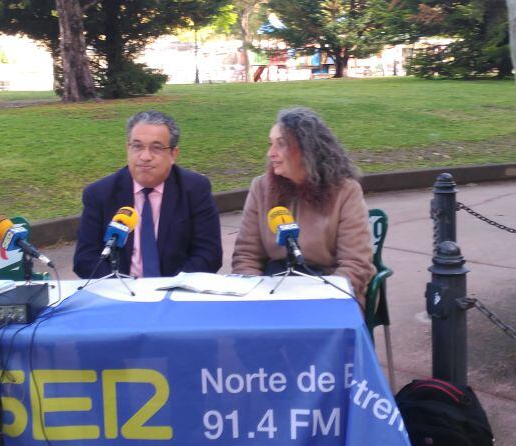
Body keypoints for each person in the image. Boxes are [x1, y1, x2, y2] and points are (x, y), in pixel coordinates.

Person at [231, 107, 374, 302]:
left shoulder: (346, 191)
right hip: (271, 290)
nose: (270, 153)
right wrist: (256, 296)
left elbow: (356, 264)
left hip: (329, 290)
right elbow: (246, 256)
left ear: (307, 149)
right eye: (270, 144)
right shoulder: (261, 188)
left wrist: (318, 299)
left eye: (281, 144)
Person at [73, 110, 222, 278]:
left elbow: (209, 254)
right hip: (120, 293)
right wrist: (123, 288)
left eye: (156, 148)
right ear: (127, 149)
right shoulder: (100, 194)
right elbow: (85, 259)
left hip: (176, 292)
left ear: (173, 154)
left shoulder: (194, 189)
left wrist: (171, 287)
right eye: (137, 146)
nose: (145, 156)